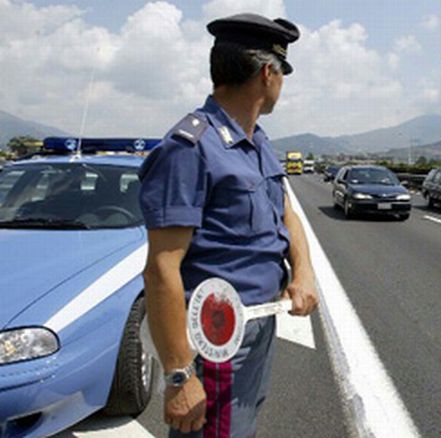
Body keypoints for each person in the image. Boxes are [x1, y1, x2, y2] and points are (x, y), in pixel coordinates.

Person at [138, 13, 319, 438]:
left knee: (240, 429)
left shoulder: (256, 141)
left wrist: (304, 271)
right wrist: (180, 376)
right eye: (283, 72)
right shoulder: (190, 148)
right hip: (216, 339)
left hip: (258, 326)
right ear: (267, 72)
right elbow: (161, 268)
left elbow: (286, 213)